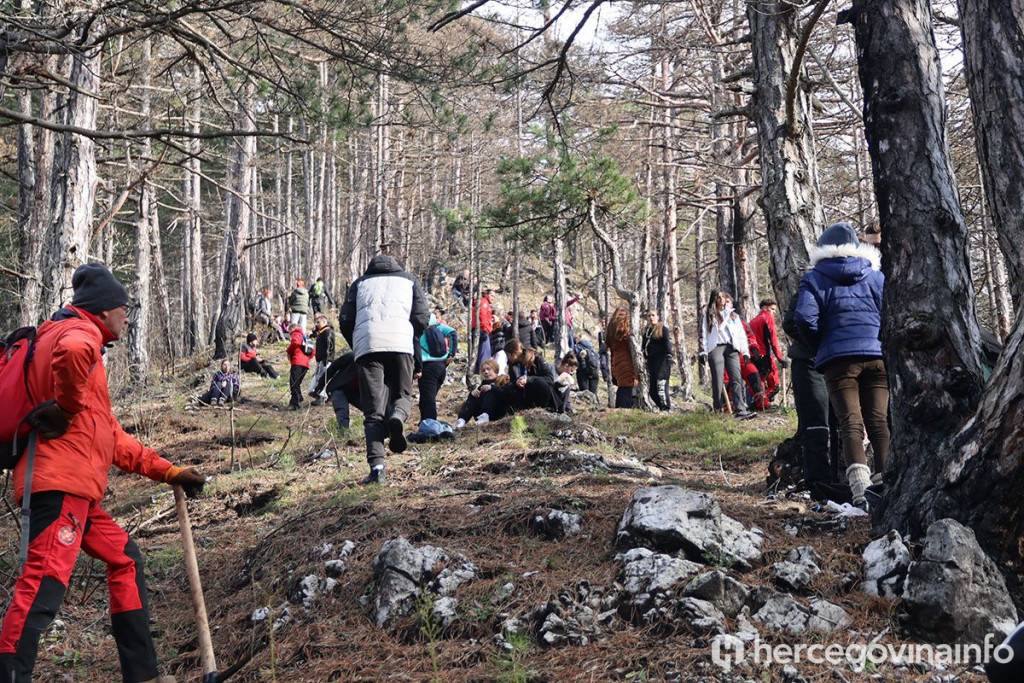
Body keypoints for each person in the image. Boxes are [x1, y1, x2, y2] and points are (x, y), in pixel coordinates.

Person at [0, 263, 205, 683]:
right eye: (124, 308)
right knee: (41, 584)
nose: (128, 316)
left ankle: (142, 675)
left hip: (74, 490)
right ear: (105, 310)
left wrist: (170, 472)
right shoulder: (79, 334)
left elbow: (110, 436)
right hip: (57, 485)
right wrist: (69, 407)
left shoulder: (74, 344)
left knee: (125, 559)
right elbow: (74, 354)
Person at [795, 221, 888, 510]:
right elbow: (889, 310)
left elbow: (802, 318)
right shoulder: (874, 275)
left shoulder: (814, 278)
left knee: (851, 425)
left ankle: (861, 493)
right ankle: (889, 485)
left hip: (838, 361)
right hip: (876, 356)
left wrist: (819, 345)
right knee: (879, 423)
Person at [339, 254, 429, 485]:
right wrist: (411, 337)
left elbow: (345, 319)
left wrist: (359, 344)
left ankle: (378, 469)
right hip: (401, 343)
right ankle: (398, 416)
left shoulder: (360, 283)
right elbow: (421, 317)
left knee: (373, 410)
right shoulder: (409, 280)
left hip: (368, 345)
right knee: (402, 395)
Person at [701, 290, 754, 418]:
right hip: (716, 347)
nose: (721, 299)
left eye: (722, 297)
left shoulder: (733, 316)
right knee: (718, 380)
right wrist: (703, 351)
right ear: (714, 300)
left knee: (736, 378)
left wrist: (745, 352)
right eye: (718, 297)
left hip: (732, 348)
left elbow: (741, 335)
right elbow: (703, 333)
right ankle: (718, 409)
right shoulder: (709, 315)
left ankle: (740, 409)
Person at [417, 313, 458, 421]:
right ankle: (425, 425)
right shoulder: (437, 325)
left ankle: (430, 429)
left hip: (427, 367)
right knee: (427, 400)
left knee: (427, 401)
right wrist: (451, 354)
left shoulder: (417, 328)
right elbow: (453, 333)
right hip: (441, 366)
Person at [748, 299, 787, 402]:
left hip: (752, 356)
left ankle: (760, 405)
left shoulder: (752, 321)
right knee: (774, 386)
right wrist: (780, 358)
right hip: (764, 355)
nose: (774, 312)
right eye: (772, 309)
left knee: (759, 385)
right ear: (765, 308)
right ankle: (762, 404)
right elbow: (773, 339)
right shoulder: (767, 318)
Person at [453, 359, 509, 428]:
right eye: (483, 370)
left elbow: (506, 394)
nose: (486, 372)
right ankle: (461, 420)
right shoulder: (483, 385)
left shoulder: (504, 381)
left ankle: (485, 415)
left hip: (498, 412)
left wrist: (492, 388)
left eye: (488, 369)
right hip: (481, 414)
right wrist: (472, 395)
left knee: (488, 390)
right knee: (473, 396)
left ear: (495, 370)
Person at [642, 309, 673, 411]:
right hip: (651, 363)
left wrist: (669, 355)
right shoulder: (647, 332)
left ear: (658, 317)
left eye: (653, 315)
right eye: (649, 316)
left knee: (661, 386)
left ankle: (666, 408)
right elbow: (644, 346)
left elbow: (667, 343)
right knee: (652, 391)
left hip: (662, 362)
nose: (651, 318)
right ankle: (661, 407)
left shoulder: (663, 329)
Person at [307, 314, 336, 406]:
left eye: (319, 322)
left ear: (324, 322)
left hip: (326, 360)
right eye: (316, 322)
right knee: (319, 377)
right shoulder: (321, 332)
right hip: (320, 359)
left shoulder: (328, 332)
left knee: (323, 377)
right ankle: (325, 395)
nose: (317, 324)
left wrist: (326, 359)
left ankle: (322, 396)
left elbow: (329, 347)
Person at [286, 323, 313, 410]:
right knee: (296, 383)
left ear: (291, 329)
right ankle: (297, 398)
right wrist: (307, 359)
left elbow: (295, 342)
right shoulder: (304, 337)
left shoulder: (296, 334)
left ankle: (295, 403)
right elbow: (313, 351)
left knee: (293, 383)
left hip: (297, 362)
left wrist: (288, 351)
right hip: (305, 364)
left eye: (289, 331)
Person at [471, 289, 494, 373]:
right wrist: (485, 329)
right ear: (486, 295)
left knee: (480, 353)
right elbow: (482, 315)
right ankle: (483, 373)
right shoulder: (484, 302)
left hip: (480, 329)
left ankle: (479, 371)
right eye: (492, 295)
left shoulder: (483, 302)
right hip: (482, 330)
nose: (493, 298)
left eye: (494, 296)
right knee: (484, 354)